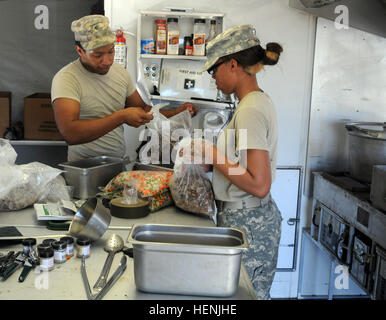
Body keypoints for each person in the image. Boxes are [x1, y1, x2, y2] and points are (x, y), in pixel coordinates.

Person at [198, 24, 283, 299]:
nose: (213, 78)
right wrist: (212, 165)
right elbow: (242, 165)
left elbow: (259, 184)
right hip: (240, 218)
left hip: (250, 224)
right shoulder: (248, 104)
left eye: (214, 70)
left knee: (246, 295)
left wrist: (211, 154)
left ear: (232, 64)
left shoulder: (251, 109)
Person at [51, 15, 197, 161]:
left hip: (116, 164)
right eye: (98, 55)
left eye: (111, 51)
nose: (107, 61)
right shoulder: (66, 79)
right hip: (84, 169)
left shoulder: (119, 72)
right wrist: (121, 117)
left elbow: (143, 109)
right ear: (80, 51)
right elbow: (71, 134)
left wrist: (177, 113)